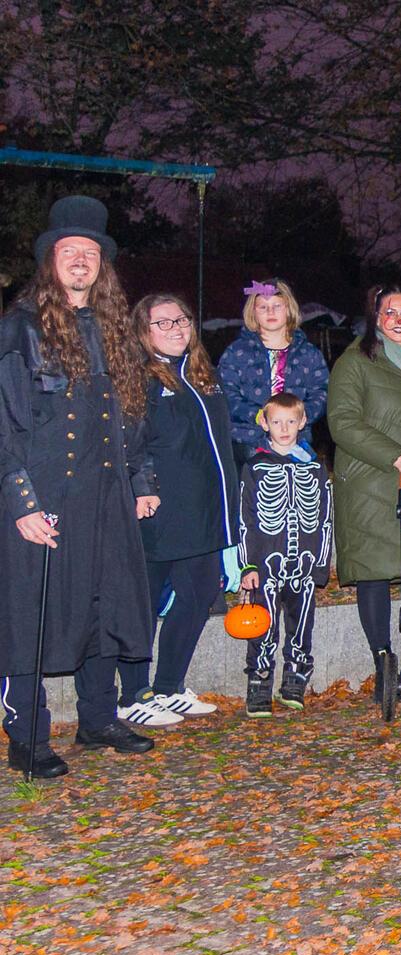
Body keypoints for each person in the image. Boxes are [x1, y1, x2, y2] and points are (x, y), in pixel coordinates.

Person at [2, 195, 161, 777]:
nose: (80, 262)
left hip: (107, 491)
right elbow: (5, 420)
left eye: (90, 254)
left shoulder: (117, 331)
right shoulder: (20, 327)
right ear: (50, 263)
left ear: (102, 267)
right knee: (31, 611)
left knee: (105, 599)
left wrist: (141, 478)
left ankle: (98, 717)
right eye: (69, 252)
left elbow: (135, 415)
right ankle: (28, 735)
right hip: (45, 492)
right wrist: (20, 500)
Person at [114, 294, 238, 728]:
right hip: (160, 511)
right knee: (143, 604)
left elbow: (220, 442)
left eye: (181, 319)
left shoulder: (203, 376)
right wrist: (142, 486)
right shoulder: (139, 378)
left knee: (200, 594)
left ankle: (168, 687)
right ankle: (132, 693)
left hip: (203, 512)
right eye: (162, 323)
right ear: (143, 332)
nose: (175, 328)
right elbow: (130, 442)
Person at [326, 283, 401, 703]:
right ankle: (383, 661)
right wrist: (399, 458)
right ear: (376, 317)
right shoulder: (354, 362)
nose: (398, 320)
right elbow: (343, 423)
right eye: (390, 312)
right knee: (374, 573)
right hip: (370, 482)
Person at [237, 393, 334, 717]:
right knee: (262, 625)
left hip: (304, 565)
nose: (284, 428)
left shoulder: (315, 469)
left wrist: (320, 565)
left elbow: (324, 519)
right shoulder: (254, 467)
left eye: (291, 421)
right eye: (276, 422)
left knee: (301, 625)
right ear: (264, 422)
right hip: (265, 564)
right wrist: (246, 565)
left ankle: (296, 678)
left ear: (302, 422)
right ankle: (259, 682)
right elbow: (245, 518)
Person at [217, 278, 328, 458]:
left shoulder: (308, 353)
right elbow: (225, 393)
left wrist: (299, 416)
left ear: (289, 309)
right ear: (253, 312)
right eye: (263, 307)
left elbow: (321, 392)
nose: (270, 312)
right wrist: (257, 414)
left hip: (296, 442)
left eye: (277, 306)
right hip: (248, 442)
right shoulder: (237, 351)